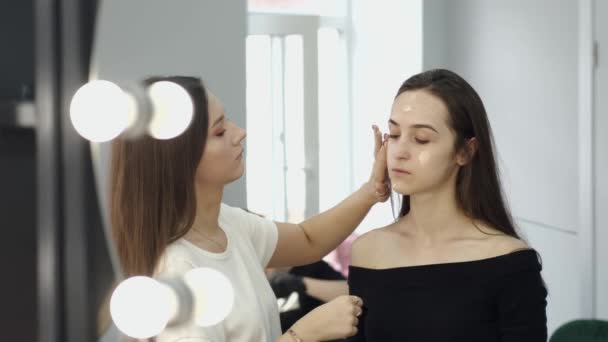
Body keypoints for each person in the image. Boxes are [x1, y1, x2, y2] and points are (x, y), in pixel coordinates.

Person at [110, 76, 390, 342]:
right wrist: (304, 333)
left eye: (227, 120)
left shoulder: (228, 224)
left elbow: (308, 239)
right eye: (220, 131)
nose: (240, 133)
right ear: (181, 160)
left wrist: (372, 191)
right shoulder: (178, 271)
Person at [347, 69, 548, 341]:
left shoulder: (509, 262)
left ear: (465, 151)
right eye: (393, 134)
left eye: (421, 139)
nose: (400, 151)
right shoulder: (368, 252)